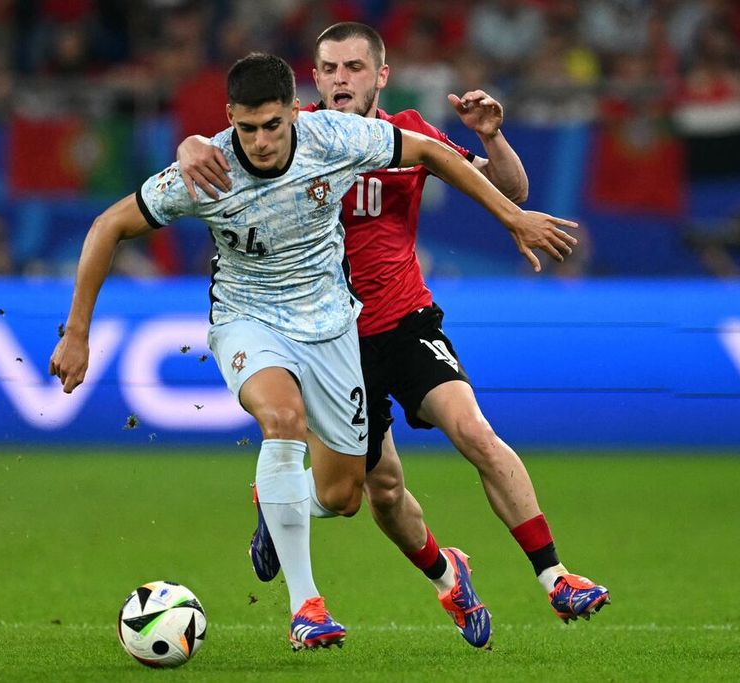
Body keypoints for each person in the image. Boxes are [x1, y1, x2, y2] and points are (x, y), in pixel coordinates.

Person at [49, 52, 577, 651]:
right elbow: (107, 226)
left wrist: (514, 219)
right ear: (230, 120)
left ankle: (279, 502)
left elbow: (431, 153)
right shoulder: (206, 170)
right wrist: (77, 332)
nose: (262, 140)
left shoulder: (336, 137)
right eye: (247, 128)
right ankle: (307, 607)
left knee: (344, 496)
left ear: (294, 113)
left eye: (273, 125)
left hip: (332, 329)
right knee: (283, 421)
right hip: (248, 320)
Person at [177, 23, 610, 648]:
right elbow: (221, 148)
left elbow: (508, 190)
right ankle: (444, 573)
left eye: (355, 67)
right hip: (330, 341)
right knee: (374, 493)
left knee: (475, 433)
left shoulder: (408, 135)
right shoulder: (294, 139)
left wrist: (491, 137)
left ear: (381, 75)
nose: (340, 79)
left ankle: (556, 577)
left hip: (405, 322)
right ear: (313, 79)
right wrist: (193, 142)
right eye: (328, 68)